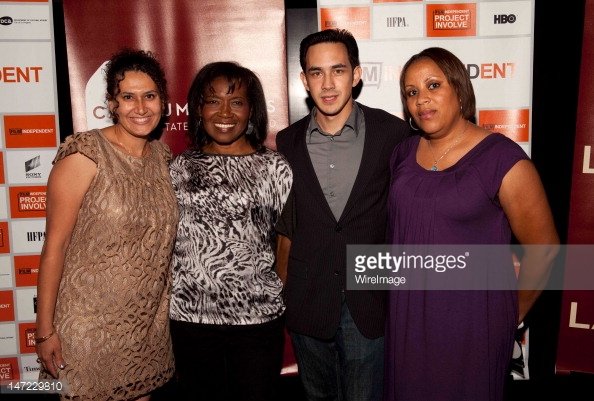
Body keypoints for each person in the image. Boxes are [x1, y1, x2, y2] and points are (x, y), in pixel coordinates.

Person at [384, 47, 560, 401]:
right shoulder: (403, 153)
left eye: (433, 85)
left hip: (472, 324)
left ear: (460, 89)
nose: (422, 100)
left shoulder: (502, 159)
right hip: (408, 319)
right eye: (412, 92)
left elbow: (545, 249)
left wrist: (509, 313)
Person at [35, 48, 178, 400]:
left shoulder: (163, 159)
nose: (140, 107)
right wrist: (43, 331)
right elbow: (55, 247)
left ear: (163, 102)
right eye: (127, 97)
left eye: (149, 96)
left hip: (146, 331)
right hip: (86, 330)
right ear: (112, 104)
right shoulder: (85, 155)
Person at [275, 29, 410, 401]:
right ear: (303, 80)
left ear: (356, 74)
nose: (328, 83)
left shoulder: (393, 134)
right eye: (316, 72)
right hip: (308, 298)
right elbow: (286, 226)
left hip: (369, 299)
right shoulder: (287, 141)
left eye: (338, 70)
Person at [169, 61, 292, 401]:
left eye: (236, 101)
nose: (225, 112)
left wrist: (272, 290)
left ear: (251, 109)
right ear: (198, 108)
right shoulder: (180, 167)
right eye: (213, 100)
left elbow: (287, 240)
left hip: (256, 321)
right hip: (190, 319)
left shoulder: (274, 167)